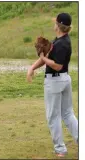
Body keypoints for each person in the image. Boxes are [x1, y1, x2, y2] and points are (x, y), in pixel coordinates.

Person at [27, 13, 78, 157]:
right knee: (68, 113)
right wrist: (32, 68)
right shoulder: (60, 40)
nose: (53, 24)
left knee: (53, 116)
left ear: (58, 25)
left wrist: (42, 57)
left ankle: (60, 149)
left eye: (55, 22)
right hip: (64, 80)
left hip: (55, 81)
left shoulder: (62, 43)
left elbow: (57, 66)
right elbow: (46, 60)